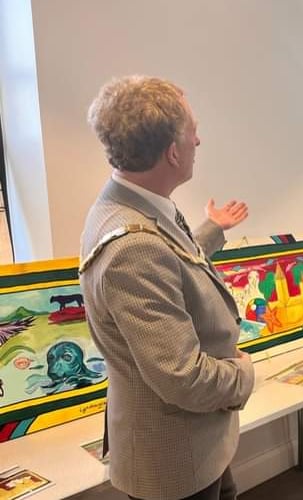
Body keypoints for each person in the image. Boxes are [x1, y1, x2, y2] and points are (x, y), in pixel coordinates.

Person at [79, 76, 255, 500]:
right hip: (175, 457)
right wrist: (244, 375)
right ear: (173, 152)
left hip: (196, 440)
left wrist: (212, 232)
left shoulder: (130, 201)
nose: (200, 139)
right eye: (192, 130)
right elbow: (184, 378)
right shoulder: (132, 247)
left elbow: (171, 263)